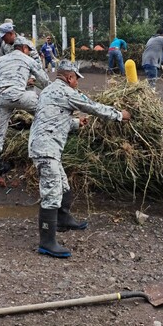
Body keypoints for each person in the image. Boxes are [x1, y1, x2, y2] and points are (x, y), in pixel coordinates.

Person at [28, 60, 131, 258]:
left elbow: (53, 118)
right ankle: (47, 242)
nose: (77, 83)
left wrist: (76, 123)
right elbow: (93, 107)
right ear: (70, 77)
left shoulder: (49, 91)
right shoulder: (67, 92)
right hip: (45, 149)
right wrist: (120, 115)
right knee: (51, 192)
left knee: (63, 185)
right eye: (76, 80)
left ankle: (63, 220)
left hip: (46, 146)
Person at [0, 36, 50, 178]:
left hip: (2, 97)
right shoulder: (28, 60)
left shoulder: (0, 60)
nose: (29, 52)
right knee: (45, 112)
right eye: (28, 49)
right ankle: (47, 145)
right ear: (24, 48)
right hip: (21, 95)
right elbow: (43, 79)